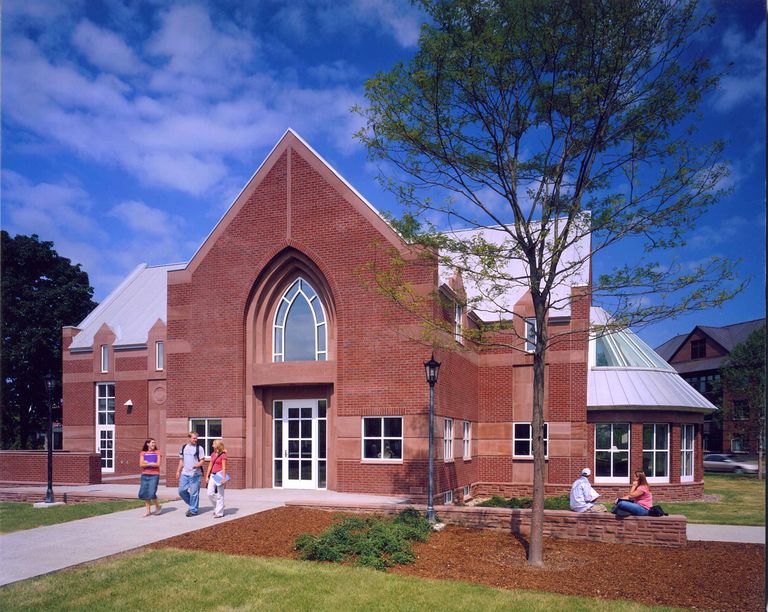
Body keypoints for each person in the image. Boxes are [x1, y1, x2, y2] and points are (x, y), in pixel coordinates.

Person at [176, 431, 206, 517]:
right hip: (185, 473)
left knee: (194, 493)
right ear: (189, 438)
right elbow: (181, 460)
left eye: (196, 438)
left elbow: (202, 460)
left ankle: (193, 510)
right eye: (194, 438)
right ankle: (193, 505)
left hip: (195, 474)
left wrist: (197, 465)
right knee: (181, 491)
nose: (195, 440)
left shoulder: (199, 448)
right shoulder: (184, 447)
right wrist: (178, 471)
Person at [204, 439, 228, 518]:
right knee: (209, 493)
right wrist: (207, 475)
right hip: (212, 475)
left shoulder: (223, 455)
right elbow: (210, 465)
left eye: (214, 443)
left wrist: (224, 478)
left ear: (217, 445)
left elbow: (224, 467)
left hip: (219, 475)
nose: (212, 445)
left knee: (220, 494)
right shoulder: (213, 454)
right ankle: (219, 506)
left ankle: (219, 513)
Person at [138, 438, 161, 516]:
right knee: (145, 493)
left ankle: (158, 506)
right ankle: (148, 511)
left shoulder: (157, 452)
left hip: (155, 475)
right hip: (145, 475)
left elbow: (158, 464)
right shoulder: (143, 453)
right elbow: (141, 464)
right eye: (152, 443)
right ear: (148, 444)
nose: (153, 444)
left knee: (151, 492)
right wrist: (151, 463)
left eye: (154, 443)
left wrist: (147, 463)